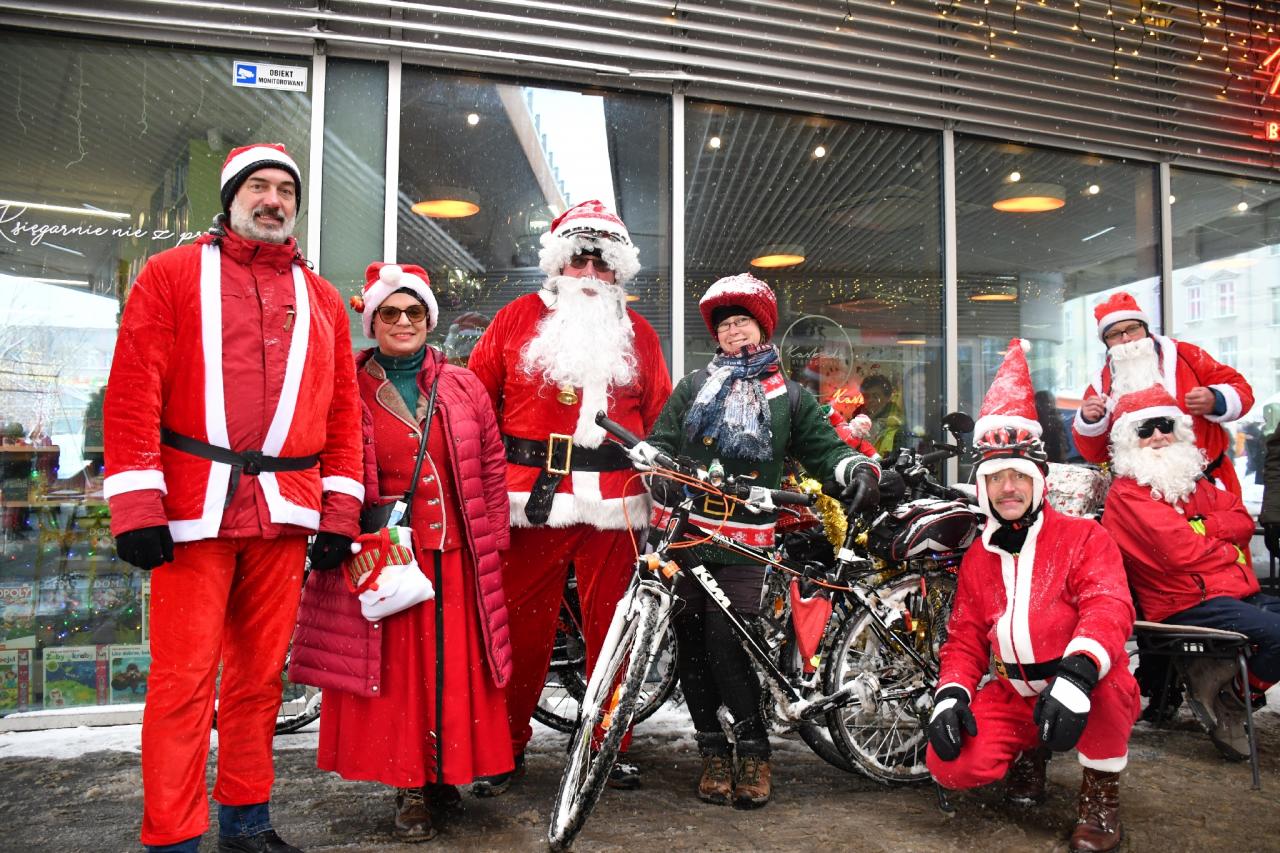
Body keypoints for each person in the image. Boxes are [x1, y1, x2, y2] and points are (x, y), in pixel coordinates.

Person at [103, 143, 364, 853]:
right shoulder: (171, 275)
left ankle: (246, 823)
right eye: (259, 185)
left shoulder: (323, 300)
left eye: (286, 189)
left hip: (283, 515)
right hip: (193, 511)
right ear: (230, 197)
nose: (273, 199)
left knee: (257, 681)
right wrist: (136, 505)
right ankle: (173, 837)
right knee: (183, 682)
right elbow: (133, 393)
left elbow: (343, 414)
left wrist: (339, 512)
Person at [635, 273, 880, 809]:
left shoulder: (788, 397)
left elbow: (824, 450)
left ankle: (753, 749)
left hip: (746, 537)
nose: (733, 332)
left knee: (727, 641)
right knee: (690, 644)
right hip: (685, 534)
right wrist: (654, 463)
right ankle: (712, 752)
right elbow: (661, 440)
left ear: (763, 329)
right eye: (725, 325)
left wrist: (855, 468)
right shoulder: (694, 387)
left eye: (743, 321)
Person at [290, 262, 514, 841]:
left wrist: (492, 538)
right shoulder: (345, 384)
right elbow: (323, 458)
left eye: (414, 312)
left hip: (456, 552)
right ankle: (409, 784)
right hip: (385, 552)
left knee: (454, 672)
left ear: (428, 320)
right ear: (372, 319)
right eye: (390, 312)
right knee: (397, 677)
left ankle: (445, 774)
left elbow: (490, 465)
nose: (403, 322)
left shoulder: (463, 385)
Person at [466, 199, 672, 791]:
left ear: (618, 272)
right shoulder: (514, 318)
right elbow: (475, 406)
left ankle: (606, 748)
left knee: (614, 633)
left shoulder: (641, 334)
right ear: (559, 263)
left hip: (617, 502)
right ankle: (503, 746)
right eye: (579, 259)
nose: (589, 273)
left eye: (602, 263)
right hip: (529, 501)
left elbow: (660, 417)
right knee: (519, 632)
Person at [926, 339, 1138, 853]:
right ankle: (1030, 751)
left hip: (1081, 679)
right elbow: (965, 638)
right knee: (949, 765)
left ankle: (1100, 793)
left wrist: (1078, 674)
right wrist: (951, 692)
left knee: (1108, 692)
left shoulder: (1083, 538)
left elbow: (1108, 607)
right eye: (995, 477)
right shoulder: (980, 554)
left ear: (1038, 480)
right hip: (1015, 690)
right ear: (983, 487)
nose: (1007, 488)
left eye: (1018, 476)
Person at [1101, 383, 1280, 761]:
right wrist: (1226, 548)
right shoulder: (1128, 493)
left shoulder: (1189, 481)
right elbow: (1178, 552)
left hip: (1226, 591)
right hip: (1184, 601)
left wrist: (1201, 527)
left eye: (1165, 425)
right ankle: (1233, 697)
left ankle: (1231, 686)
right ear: (1129, 440)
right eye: (1145, 430)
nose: (1158, 436)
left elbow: (1241, 523)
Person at [1071, 290, 1253, 497]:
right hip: (1141, 496)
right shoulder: (1100, 385)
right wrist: (1089, 422)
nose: (1126, 338)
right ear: (1106, 342)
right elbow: (1095, 454)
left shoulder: (1186, 355)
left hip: (1208, 485)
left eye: (1132, 328)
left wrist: (1217, 400)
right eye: (1114, 334)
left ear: (1145, 329)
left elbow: (1242, 390)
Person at [860, 374, 905, 456]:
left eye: (876, 396)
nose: (870, 400)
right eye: (866, 396)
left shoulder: (897, 422)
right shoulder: (858, 423)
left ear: (888, 397)